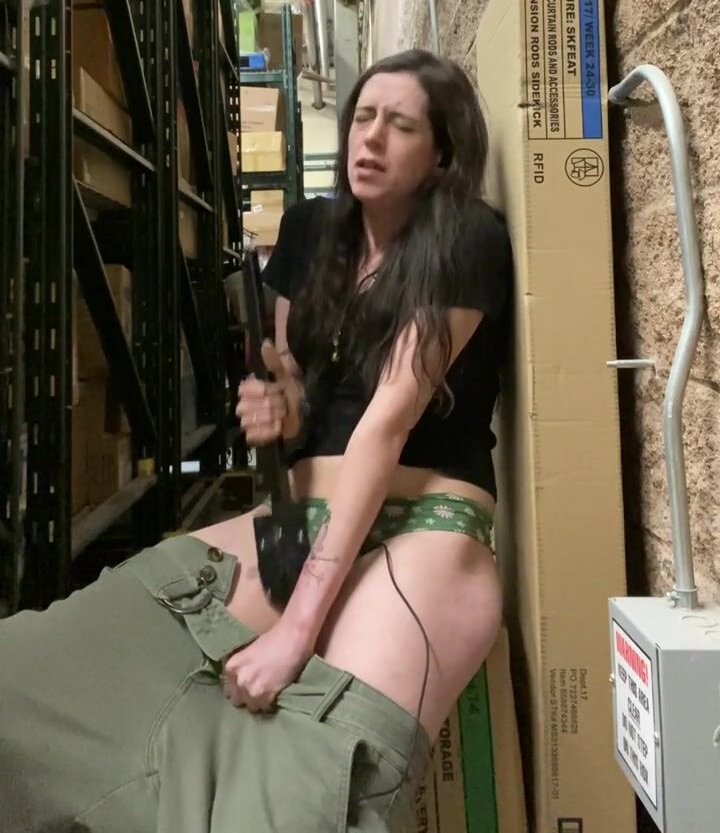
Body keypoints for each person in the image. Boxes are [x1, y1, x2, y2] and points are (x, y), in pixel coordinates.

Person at [0, 50, 512, 832]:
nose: (370, 138)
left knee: (291, 797)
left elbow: (385, 423)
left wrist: (297, 631)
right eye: (363, 117)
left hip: (422, 530)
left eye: (401, 125)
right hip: (295, 520)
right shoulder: (314, 231)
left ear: (442, 153)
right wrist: (282, 406)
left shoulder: (466, 235)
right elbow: (305, 385)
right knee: (31, 678)